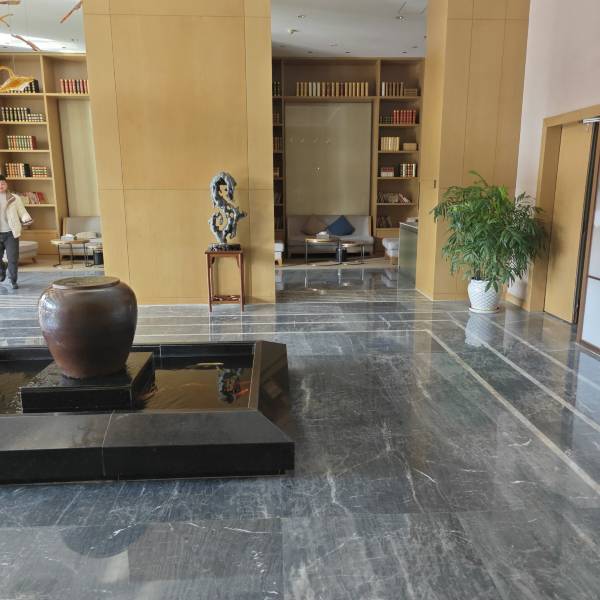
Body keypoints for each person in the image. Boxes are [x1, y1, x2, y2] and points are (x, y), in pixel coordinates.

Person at [0, 174, 33, 289]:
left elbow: (22, 212)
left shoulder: (14, 198)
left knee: (13, 258)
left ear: (6, 184)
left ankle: (12, 280)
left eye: (2, 183)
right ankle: (2, 269)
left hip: (11, 233)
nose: (0, 186)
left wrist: (26, 218)